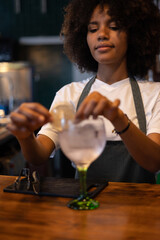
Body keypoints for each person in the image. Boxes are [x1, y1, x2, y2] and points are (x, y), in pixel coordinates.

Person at [7, 0, 160, 183]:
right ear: (83, 37)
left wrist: (118, 119)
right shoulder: (69, 94)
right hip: (85, 205)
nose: (102, 35)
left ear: (133, 34)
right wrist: (25, 137)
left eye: (114, 26)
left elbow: (154, 163)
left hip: (140, 208)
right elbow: (38, 155)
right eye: (93, 29)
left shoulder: (154, 94)